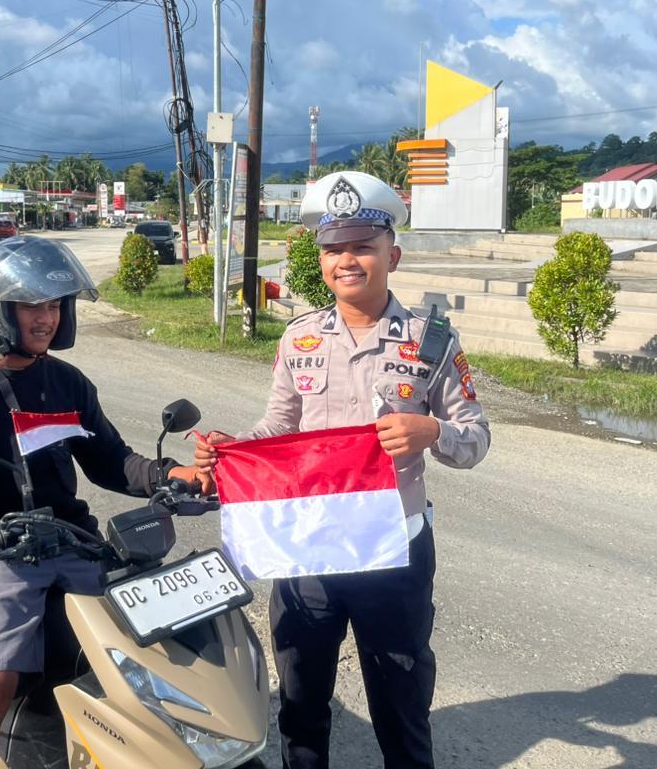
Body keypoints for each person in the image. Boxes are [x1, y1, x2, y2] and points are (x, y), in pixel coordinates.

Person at [195, 171, 490, 769]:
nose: (346, 260)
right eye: (334, 248)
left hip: (394, 553)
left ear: (392, 255)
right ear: (321, 259)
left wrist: (433, 431)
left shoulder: (430, 341)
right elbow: (280, 429)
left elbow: (475, 437)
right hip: (308, 549)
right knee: (301, 705)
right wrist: (232, 448)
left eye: (362, 246)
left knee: (401, 708)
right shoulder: (300, 339)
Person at [0, 236, 201, 769]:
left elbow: (109, 458)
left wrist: (168, 473)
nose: (48, 318)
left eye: (56, 304)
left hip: (72, 544)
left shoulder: (67, 383)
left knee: (145, 655)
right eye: (32, 305)